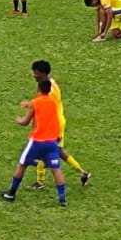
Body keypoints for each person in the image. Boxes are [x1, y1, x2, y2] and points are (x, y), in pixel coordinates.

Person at [3, 77, 67, 206]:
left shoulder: (35, 102)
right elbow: (55, 120)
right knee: (56, 170)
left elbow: (26, 122)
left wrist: (18, 120)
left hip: (37, 141)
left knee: (22, 164)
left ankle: (11, 193)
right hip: (52, 141)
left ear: (38, 89)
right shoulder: (54, 103)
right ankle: (62, 199)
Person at [28, 60, 90, 189]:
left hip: (53, 122)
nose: (34, 75)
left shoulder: (49, 90)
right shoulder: (49, 83)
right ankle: (83, 173)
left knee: (42, 148)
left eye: (36, 73)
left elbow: (46, 108)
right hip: (56, 120)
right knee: (58, 151)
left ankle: (40, 182)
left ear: (43, 73)